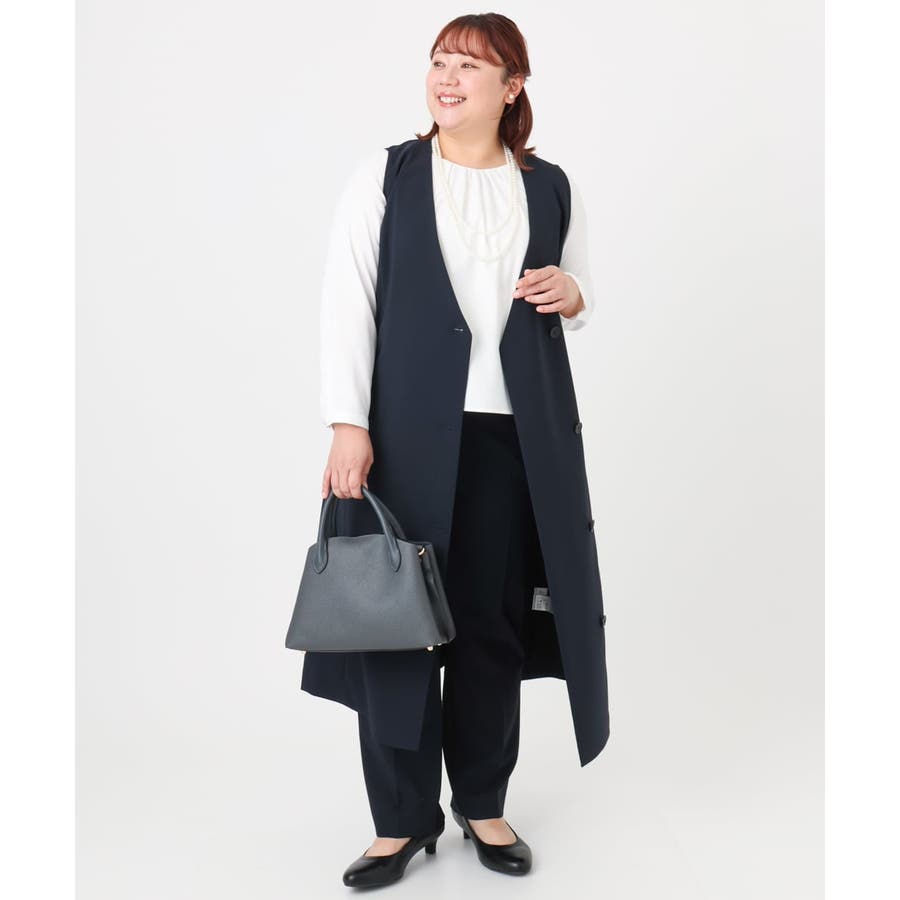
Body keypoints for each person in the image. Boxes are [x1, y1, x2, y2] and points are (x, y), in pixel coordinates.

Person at [306, 13, 610, 889]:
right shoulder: (387, 175)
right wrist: (347, 422)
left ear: (512, 87)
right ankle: (400, 822)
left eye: (470, 66)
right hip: (401, 441)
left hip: (513, 439)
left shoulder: (549, 186)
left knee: (492, 629)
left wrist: (571, 289)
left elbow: (581, 290)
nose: (447, 77)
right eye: (439, 61)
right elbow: (348, 299)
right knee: (393, 630)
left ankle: (481, 801)